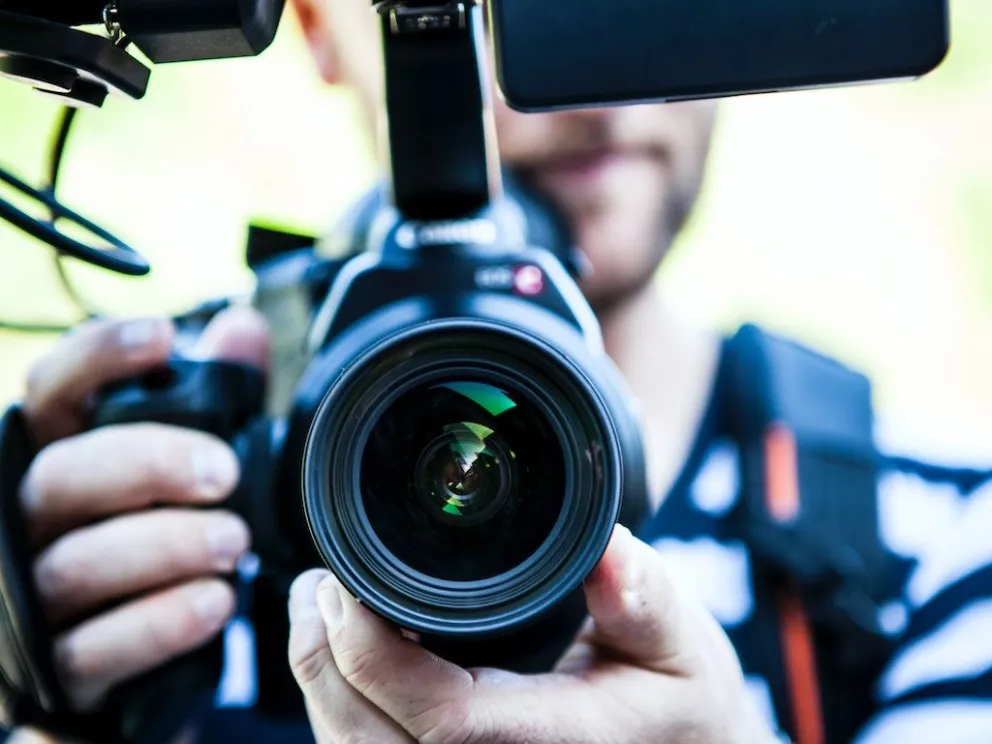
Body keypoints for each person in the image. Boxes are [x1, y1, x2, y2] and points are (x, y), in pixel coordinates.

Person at [6, 1, 992, 742]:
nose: (591, 83)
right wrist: (35, 693)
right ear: (313, 24)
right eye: (486, 4)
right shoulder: (148, 510)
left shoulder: (945, 531)